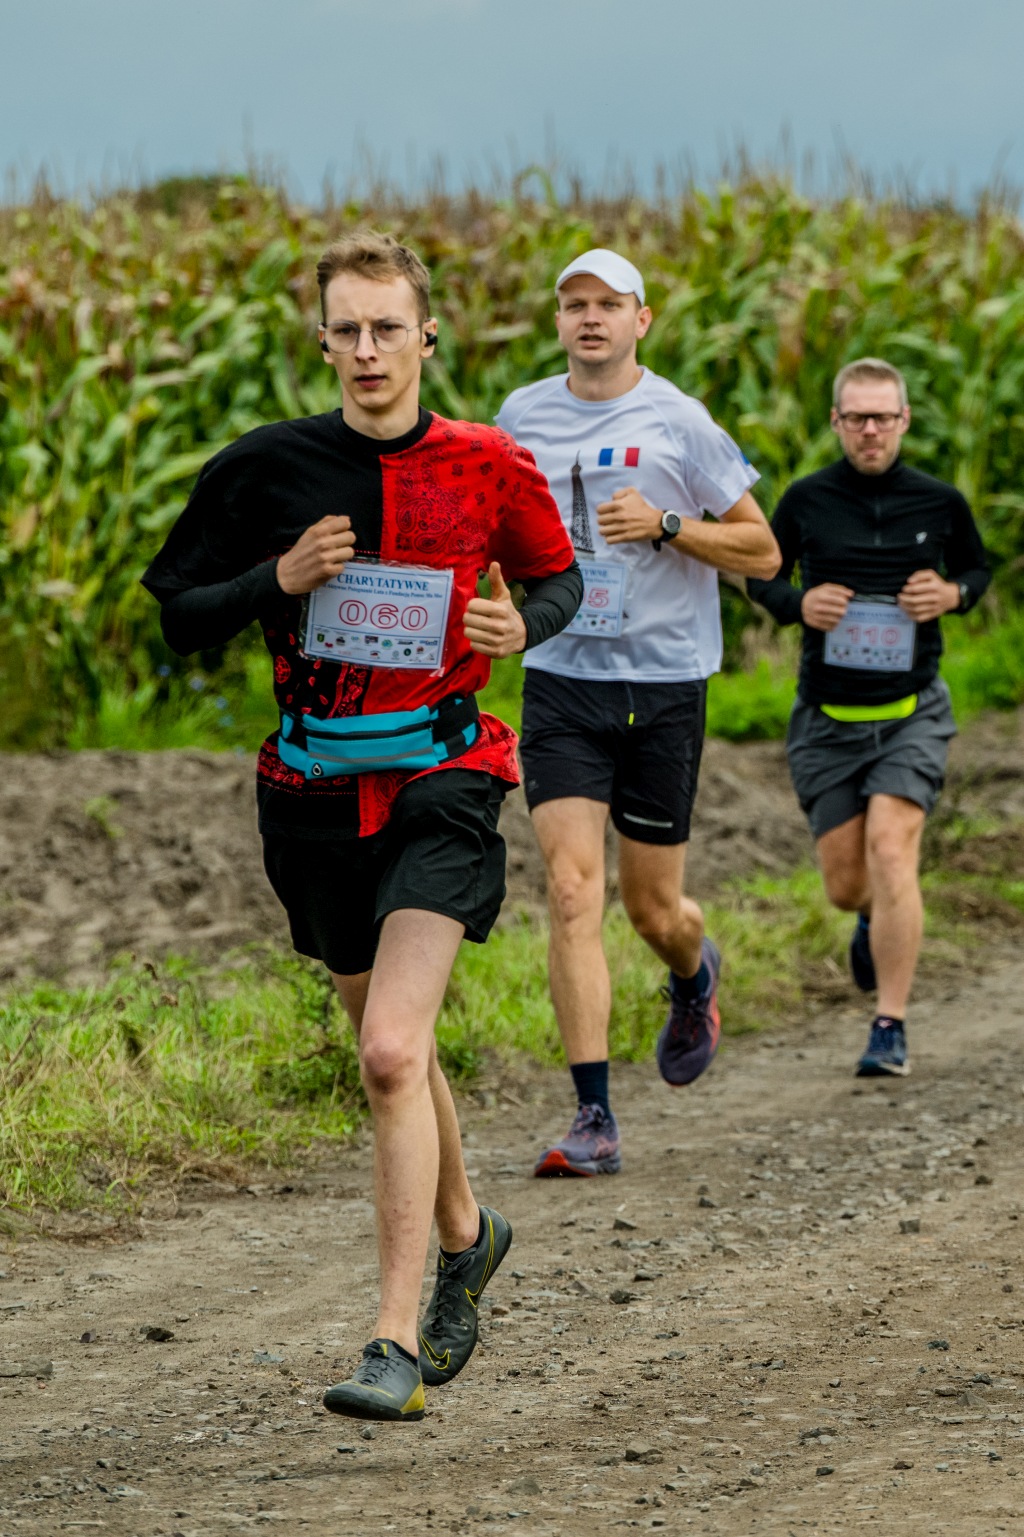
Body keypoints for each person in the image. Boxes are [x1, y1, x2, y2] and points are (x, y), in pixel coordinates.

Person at [142, 233, 581, 1420]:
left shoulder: (487, 463)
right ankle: (468, 1231)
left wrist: (522, 628)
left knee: (390, 1050)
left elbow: (558, 580)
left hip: (445, 775)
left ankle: (391, 1342)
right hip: (314, 794)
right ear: (323, 341)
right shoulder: (265, 468)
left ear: (426, 336)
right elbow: (178, 615)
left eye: (389, 327)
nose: (369, 348)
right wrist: (276, 580)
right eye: (348, 328)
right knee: (391, 1042)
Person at [496, 249, 780, 1177]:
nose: (590, 318)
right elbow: (490, 524)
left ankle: (694, 973)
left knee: (654, 908)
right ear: (557, 320)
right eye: (573, 303)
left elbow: (763, 552)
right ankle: (594, 1116)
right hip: (561, 676)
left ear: (640, 320)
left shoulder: (679, 421)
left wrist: (666, 525)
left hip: (663, 683)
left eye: (608, 304)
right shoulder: (520, 416)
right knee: (573, 891)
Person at [748, 357, 990, 1077]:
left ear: (904, 420)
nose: (871, 431)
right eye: (856, 418)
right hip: (827, 718)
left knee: (892, 849)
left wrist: (951, 595)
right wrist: (800, 603)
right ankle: (868, 916)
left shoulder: (940, 502)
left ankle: (890, 1024)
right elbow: (761, 576)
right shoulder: (806, 498)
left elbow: (977, 571)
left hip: (913, 712)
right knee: (848, 885)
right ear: (836, 422)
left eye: (883, 417)